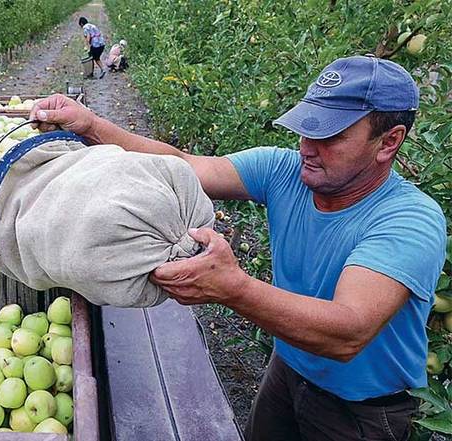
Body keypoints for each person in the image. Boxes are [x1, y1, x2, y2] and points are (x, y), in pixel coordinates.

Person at [30, 55, 446, 441]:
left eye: (330, 135)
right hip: (288, 368)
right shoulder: (286, 171)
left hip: (359, 412)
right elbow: (184, 167)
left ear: (388, 142)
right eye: (307, 127)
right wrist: (90, 125)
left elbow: (347, 333)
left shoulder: (408, 220)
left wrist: (233, 288)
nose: (307, 146)